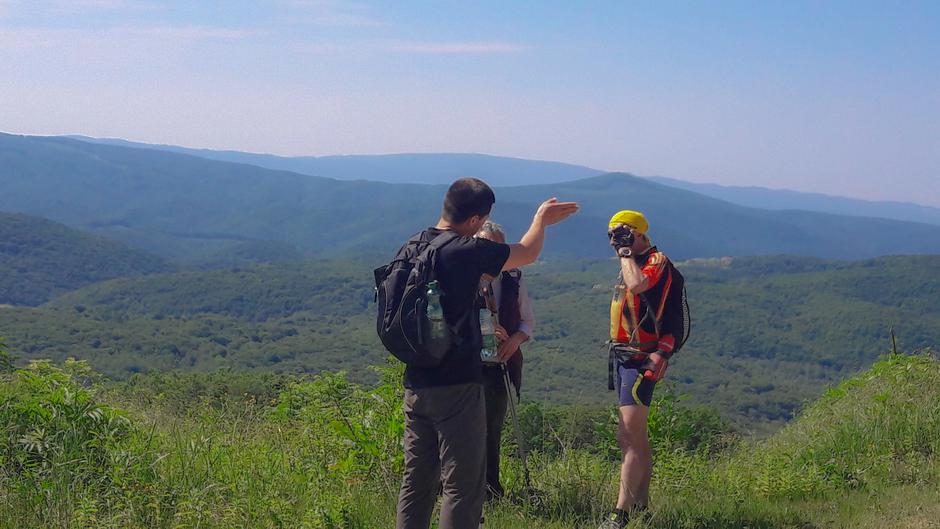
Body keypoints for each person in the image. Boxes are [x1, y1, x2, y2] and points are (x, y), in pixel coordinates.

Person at [395, 177, 578, 529]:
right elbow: (528, 251)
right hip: (458, 384)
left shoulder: (412, 246)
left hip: (416, 380)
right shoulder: (465, 251)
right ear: (478, 219)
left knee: (416, 482)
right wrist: (541, 219)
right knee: (463, 486)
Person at [599, 210, 678, 529]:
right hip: (623, 356)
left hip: (640, 359)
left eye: (623, 233)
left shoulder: (656, 260)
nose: (616, 241)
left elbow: (639, 284)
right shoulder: (632, 259)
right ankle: (643, 506)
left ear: (641, 234)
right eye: (612, 236)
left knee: (629, 437)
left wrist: (626, 253)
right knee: (634, 437)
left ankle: (620, 514)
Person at [476, 221, 536, 501]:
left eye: (499, 248)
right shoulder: (465, 277)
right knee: (463, 429)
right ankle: (456, 488)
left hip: (500, 364)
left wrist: (515, 339)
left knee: (491, 429)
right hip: (467, 364)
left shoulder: (514, 278)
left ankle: (490, 489)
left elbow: (527, 323)